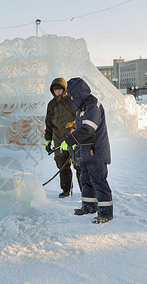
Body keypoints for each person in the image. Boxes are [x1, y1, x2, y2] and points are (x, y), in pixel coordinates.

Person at [60, 77, 113, 223]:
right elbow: (80, 131)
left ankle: (105, 212)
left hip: (96, 151)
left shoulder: (92, 105)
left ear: (77, 92)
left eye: (71, 94)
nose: (70, 98)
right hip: (85, 152)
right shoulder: (81, 108)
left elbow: (88, 129)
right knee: (86, 180)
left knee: (99, 181)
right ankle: (89, 206)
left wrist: (69, 140)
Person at [44, 77, 82, 198]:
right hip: (58, 139)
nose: (57, 91)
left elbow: (80, 119)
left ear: (64, 89)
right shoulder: (51, 104)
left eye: (59, 89)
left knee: (79, 166)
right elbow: (49, 124)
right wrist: (48, 140)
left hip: (72, 138)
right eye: (55, 90)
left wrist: (79, 136)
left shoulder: (72, 101)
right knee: (62, 165)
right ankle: (66, 190)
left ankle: (85, 191)